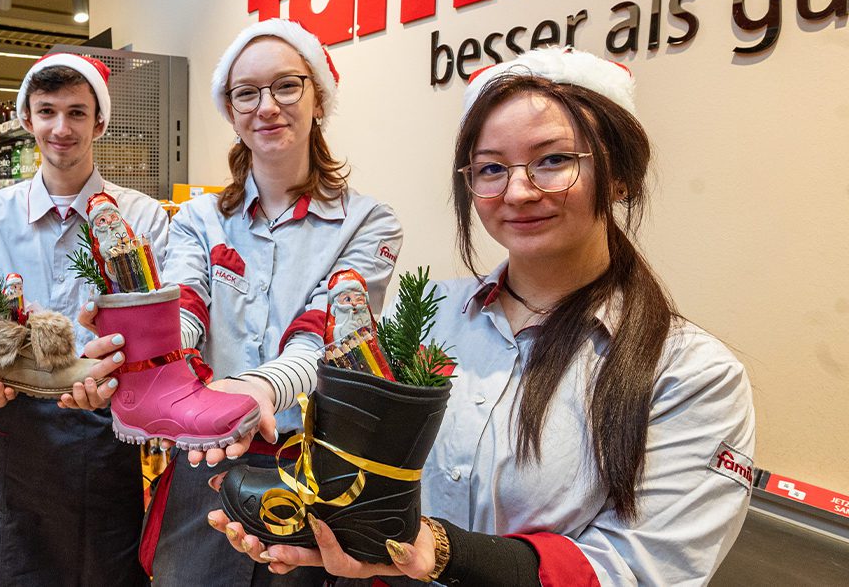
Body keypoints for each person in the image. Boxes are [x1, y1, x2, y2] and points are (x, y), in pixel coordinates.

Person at [209, 47, 756, 585]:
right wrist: (306, 516)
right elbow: (358, 468)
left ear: (620, 176)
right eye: (491, 168)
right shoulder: (424, 316)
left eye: (554, 160)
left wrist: (441, 552)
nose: (517, 191)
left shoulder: (692, 376)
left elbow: (639, 571)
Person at [73, 19, 403, 585]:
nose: (266, 106)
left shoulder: (369, 224)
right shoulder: (200, 219)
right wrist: (139, 352)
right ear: (230, 110)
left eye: (286, 86)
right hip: (206, 459)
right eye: (246, 93)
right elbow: (188, 308)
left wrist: (257, 390)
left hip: (314, 473)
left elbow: (323, 334)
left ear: (318, 97)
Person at [0, 53, 168, 585]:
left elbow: (164, 332)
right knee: (12, 568)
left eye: (76, 113)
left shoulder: (143, 219)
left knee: (105, 571)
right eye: (46, 111)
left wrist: (121, 375)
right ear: (27, 120)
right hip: (18, 432)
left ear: (100, 122)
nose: (60, 128)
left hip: (114, 436)